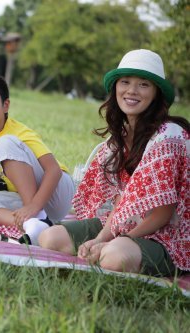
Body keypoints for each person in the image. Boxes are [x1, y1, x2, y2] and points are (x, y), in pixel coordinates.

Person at [39, 49, 189, 276]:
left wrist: (113, 242)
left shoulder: (168, 136)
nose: (132, 91)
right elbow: (121, 203)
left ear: (156, 93)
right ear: (115, 88)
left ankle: (122, 250)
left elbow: (163, 214)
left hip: (170, 235)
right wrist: (100, 239)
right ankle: (112, 246)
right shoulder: (119, 138)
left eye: (143, 84)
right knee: (50, 237)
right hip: (127, 224)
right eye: (125, 82)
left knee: (113, 256)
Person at [0, 73, 75, 245]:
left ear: (6, 105)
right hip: (25, 197)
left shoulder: (19, 133)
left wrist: (34, 207)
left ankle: (36, 215)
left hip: (56, 192)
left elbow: (53, 170)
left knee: (4, 143)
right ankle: (32, 224)